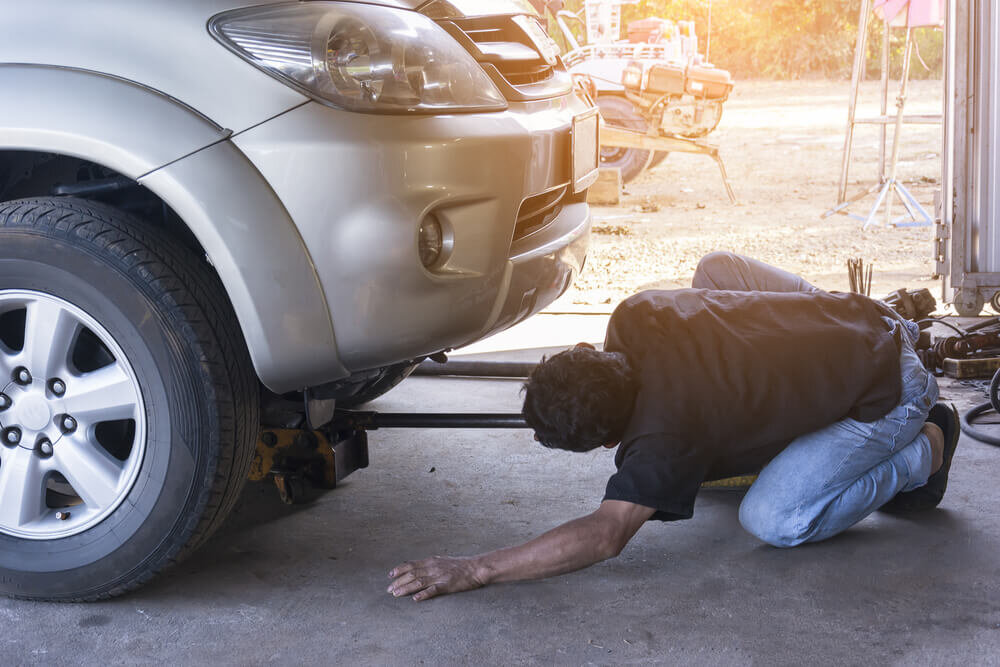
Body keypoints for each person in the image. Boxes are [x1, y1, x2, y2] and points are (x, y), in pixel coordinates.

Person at [386, 252, 960, 602]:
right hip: (858, 315)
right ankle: (854, 342)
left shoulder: (665, 446)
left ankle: (929, 448)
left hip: (890, 388)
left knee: (773, 519)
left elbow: (605, 535)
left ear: (611, 441)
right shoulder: (635, 316)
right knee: (715, 271)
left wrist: (477, 569)